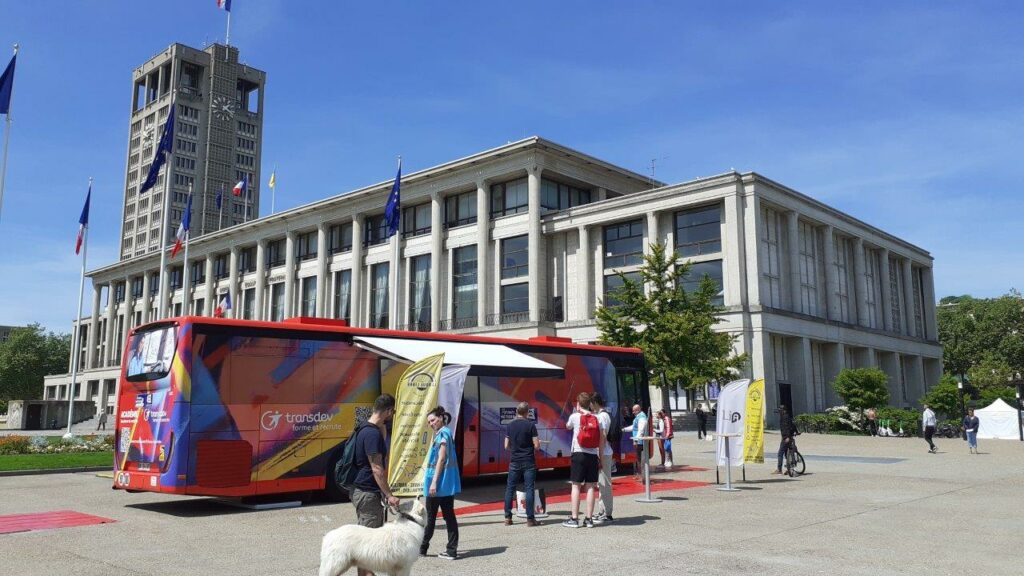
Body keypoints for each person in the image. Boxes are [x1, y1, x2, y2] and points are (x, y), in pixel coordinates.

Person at [351, 394, 400, 576]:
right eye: (392, 412)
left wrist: (382, 426)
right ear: (388, 411)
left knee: (367, 542)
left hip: (362, 491)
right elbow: (377, 469)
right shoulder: (372, 434)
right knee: (369, 545)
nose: (392, 415)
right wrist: (389, 495)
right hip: (368, 493)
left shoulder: (365, 427)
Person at [421, 406, 460, 560]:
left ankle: (422, 548)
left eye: (433, 420)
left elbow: (442, 458)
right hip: (446, 484)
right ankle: (451, 550)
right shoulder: (446, 433)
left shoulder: (443, 434)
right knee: (449, 516)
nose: (431, 424)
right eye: (429, 422)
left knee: (431, 517)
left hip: (438, 484)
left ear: (441, 418)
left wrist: (433, 482)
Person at [562, 392, 602, 529]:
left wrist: (576, 411)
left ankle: (574, 519)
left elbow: (567, 426)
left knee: (576, 486)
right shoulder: (596, 418)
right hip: (592, 455)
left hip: (578, 454)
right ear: (590, 404)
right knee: (590, 486)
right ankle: (589, 519)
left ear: (578, 404)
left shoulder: (574, 416)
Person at [503, 401, 540, 527]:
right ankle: (530, 519)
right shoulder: (531, 425)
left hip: (514, 461)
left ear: (517, 411)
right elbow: (537, 445)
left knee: (510, 488)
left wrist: (515, 449)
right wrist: (535, 444)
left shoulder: (510, 425)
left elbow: (506, 446)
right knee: (529, 488)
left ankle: (508, 517)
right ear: (527, 412)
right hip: (528, 461)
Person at [590, 394, 614, 524]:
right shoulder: (602, 415)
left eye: (591, 403)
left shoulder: (602, 416)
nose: (590, 405)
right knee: (601, 483)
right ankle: (602, 511)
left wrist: (599, 452)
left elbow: (603, 435)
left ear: (594, 402)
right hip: (604, 452)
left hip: (604, 453)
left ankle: (607, 513)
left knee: (605, 483)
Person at [621, 404, 648, 481]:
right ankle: (640, 475)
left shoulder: (642, 417)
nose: (633, 412)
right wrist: (624, 429)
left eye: (634, 411)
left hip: (640, 442)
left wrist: (636, 440)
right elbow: (634, 427)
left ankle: (642, 476)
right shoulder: (638, 417)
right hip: (638, 441)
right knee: (638, 458)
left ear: (638, 410)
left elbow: (641, 430)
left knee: (640, 459)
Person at [772, 405, 798, 475]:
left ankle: (779, 469)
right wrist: (796, 432)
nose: (779, 412)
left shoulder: (784, 418)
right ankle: (789, 469)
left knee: (780, 453)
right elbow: (793, 425)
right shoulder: (787, 416)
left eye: (780, 410)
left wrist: (787, 437)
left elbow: (787, 428)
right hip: (787, 437)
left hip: (786, 438)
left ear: (783, 411)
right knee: (787, 453)